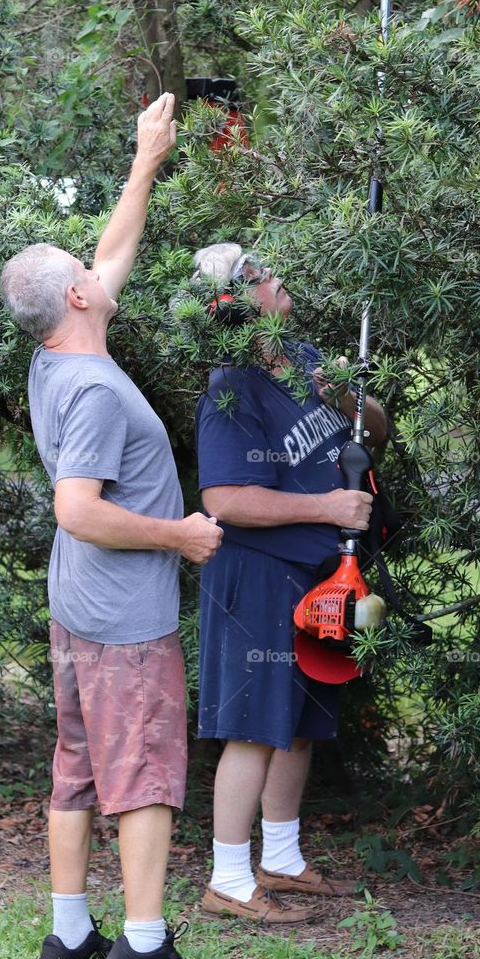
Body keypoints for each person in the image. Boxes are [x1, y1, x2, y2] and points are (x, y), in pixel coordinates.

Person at [0, 94, 222, 959]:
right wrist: (179, 534)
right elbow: (77, 509)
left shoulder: (58, 352)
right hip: (121, 614)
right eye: (77, 265)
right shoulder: (89, 389)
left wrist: (146, 161)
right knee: (145, 771)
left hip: (77, 604)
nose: (92, 266)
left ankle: (68, 932)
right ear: (78, 298)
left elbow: (110, 252)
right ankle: (140, 946)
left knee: (81, 761)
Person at [192, 242, 388, 922]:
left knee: (301, 722)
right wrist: (325, 508)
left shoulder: (306, 361)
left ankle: (280, 857)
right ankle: (227, 880)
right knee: (251, 728)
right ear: (242, 298)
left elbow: (375, 432)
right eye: (264, 275)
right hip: (258, 575)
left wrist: (349, 395)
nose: (278, 280)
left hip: (319, 574)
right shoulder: (229, 387)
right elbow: (223, 499)